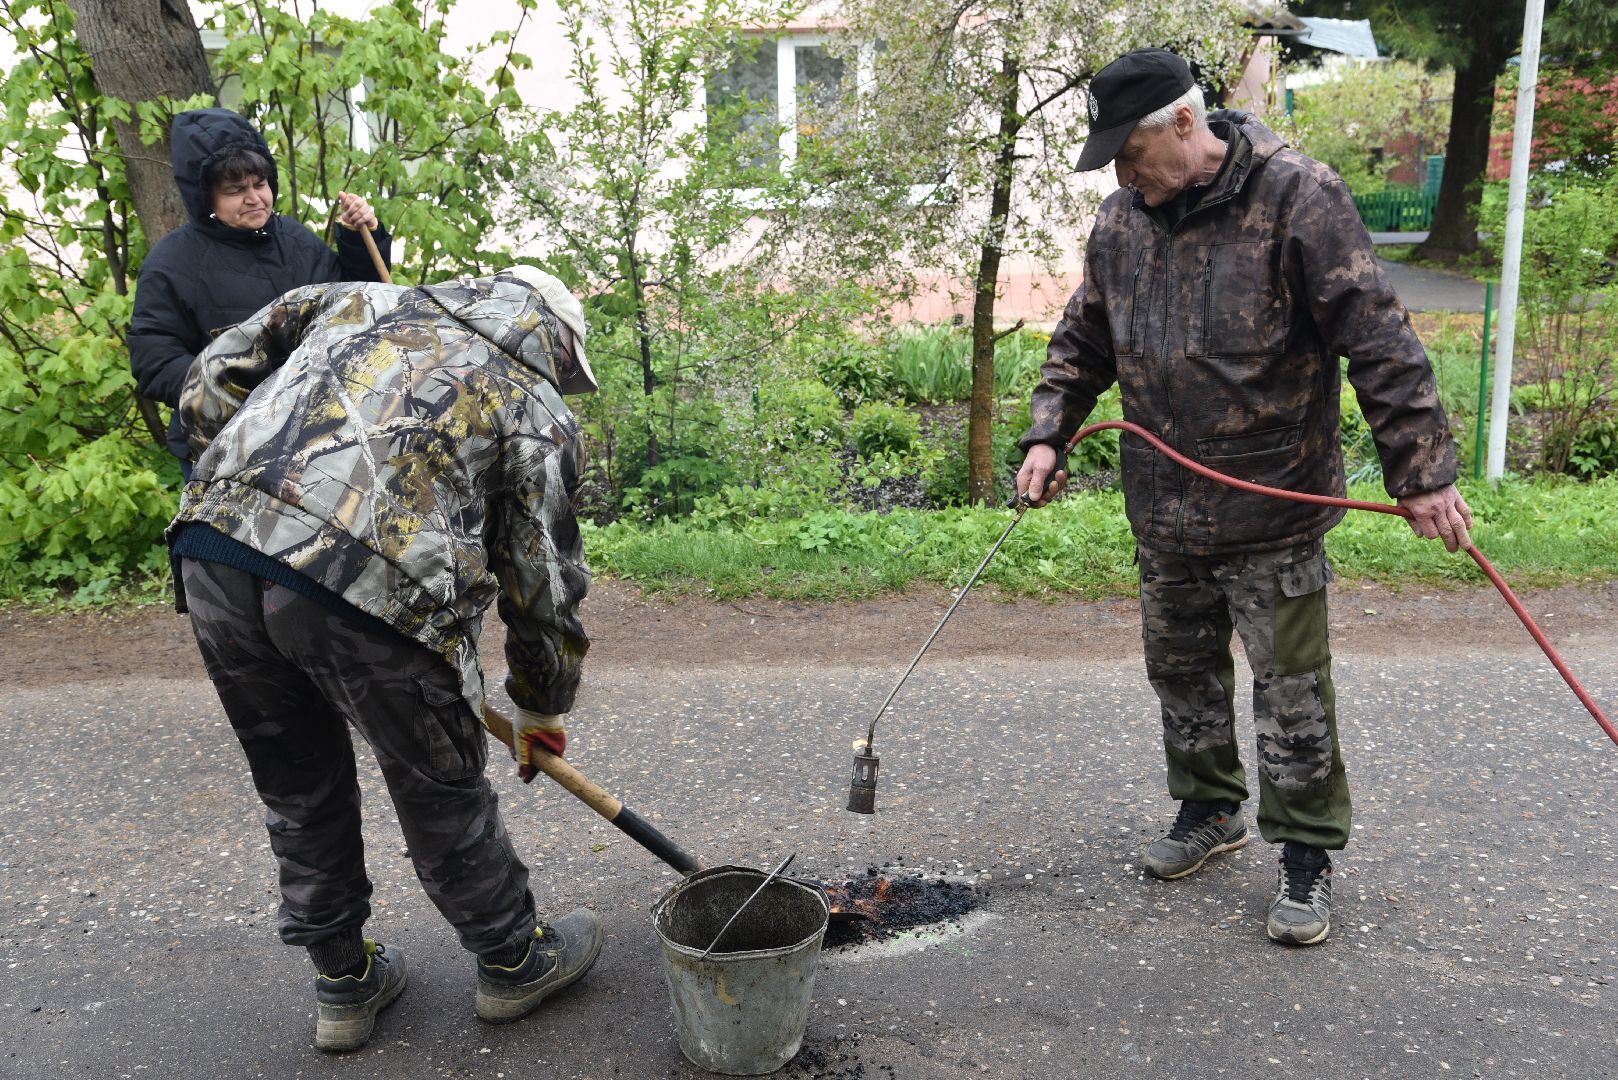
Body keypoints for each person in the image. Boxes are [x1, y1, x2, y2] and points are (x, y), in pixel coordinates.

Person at [1014, 48, 1473, 947]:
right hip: (1165, 506)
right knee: (1181, 672)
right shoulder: (1122, 220)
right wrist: (1047, 432)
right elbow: (1082, 340)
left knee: (1291, 691)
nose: (1122, 175)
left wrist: (1421, 472)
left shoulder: (1299, 196)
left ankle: (1305, 852)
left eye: (1130, 153)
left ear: (1185, 124)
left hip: (1272, 501)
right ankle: (1210, 809)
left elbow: (1379, 339)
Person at [166, 265, 603, 1051]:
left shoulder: (358, 298)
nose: (564, 382)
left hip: (214, 547)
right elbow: (540, 580)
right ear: (559, 339)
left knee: (295, 778)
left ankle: (344, 981)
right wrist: (541, 703)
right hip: (366, 578)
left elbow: (212, 376)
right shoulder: (533, 402)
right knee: (437, 777)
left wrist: (234, 486)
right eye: (569, 368)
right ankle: (512, 960)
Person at [130, 107, 392, 476]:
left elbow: (358, 305)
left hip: (315, 436)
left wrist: (358, 239)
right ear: (206, 197)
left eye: (260, 184)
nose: (254, 198)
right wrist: (229, 393)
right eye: (235, 190)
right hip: (224, 448)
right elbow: (153, 360)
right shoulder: (173, 262)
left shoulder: (296, 241)